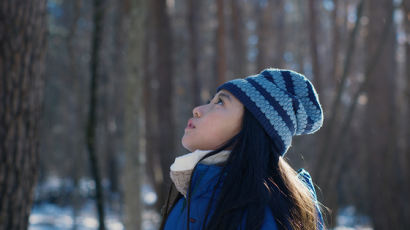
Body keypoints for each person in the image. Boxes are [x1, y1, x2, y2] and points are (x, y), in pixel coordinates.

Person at [159, 68, 327, 230]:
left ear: (251, 128)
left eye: (220, 102)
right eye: (209, 101)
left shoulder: (264, 212)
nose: (197, 110)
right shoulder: (195, 190)